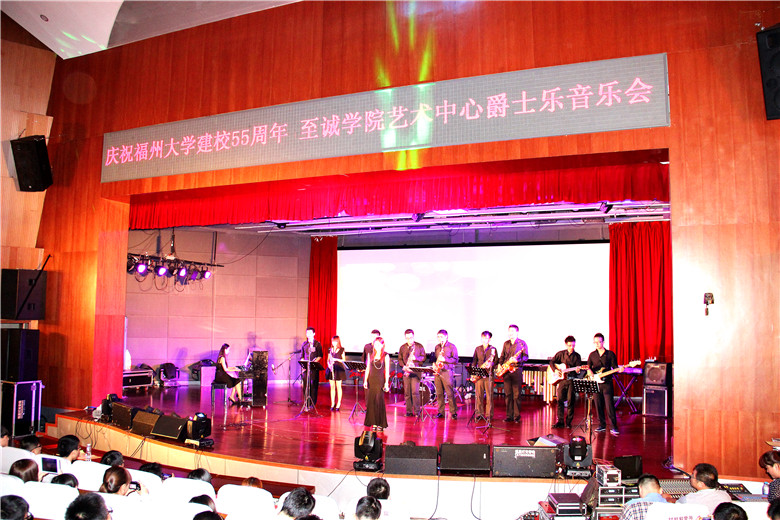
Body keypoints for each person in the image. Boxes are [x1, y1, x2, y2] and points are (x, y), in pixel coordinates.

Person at [587, 332, 622, 435]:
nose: (597, 344)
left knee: (609, 405)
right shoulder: (592, 355)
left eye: (599, 342)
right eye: (595, 342)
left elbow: (615, 367)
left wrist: (619, 370)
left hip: (607, 383)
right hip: (596, 383)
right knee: (598, 405)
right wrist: (590, 372)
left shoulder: (610, 354)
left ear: (603, 342)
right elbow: (588, 367)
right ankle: (601, 425)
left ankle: (613, 426)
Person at [550, 335, 584, 429]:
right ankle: (560, 421)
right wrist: (555, 370)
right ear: (566, 345)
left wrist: (578, 370)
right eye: (569, 345)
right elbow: (552, 362)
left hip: (571, 380)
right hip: (562, 380)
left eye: (573, 345)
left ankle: (569, 422)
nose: (571, 347)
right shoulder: (560, 354)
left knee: (570, 401)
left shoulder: (577, 356)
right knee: (560, 400)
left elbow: (578, 370)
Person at [498, 324, 529, 423]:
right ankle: (509, 416)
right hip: (506, 371)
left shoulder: (522, 343)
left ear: (517, 332)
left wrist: (517, 360)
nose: (510, 333)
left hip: (516, 370)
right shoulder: (506, 343)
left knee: (516, 395)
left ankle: (517, 416)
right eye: (509, 331)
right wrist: (500, 364)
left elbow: (526, 357)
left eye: (512, 331)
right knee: (508, 394)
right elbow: (502, 356)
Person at [398, 329, 427, 417]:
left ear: (413, 337)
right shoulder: (403, 347)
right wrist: (403, 366)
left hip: (416, 372)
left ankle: (417, 412)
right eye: (407, 338)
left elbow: (424, 357)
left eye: (411, 338)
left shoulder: (419, 346)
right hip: (406, 371)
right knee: (407, 393)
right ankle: (409, 411)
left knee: (415, 392)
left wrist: (416, 358)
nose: (409, 340)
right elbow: (400, 359)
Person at [364, 337, 390, 431]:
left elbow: (387, 370)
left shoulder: (385, 355)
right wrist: (365, 380)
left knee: (379, 400)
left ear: (382, 345)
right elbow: (368, 368)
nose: (377, 346)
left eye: (379, 344)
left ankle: (380, 423)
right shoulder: (370, 354)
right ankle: (374, 422)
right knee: (372, 401)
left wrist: (386, 383)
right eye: (375, 344)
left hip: (380, 380)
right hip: (371, 380)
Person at [471, 331, 497, 421]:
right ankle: (479, 414)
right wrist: (473, 372)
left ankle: (489, 415)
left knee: (489, 396)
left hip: (489, 375)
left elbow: (496, 361)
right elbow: (474, 360)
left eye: (486, 338)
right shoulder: (477, 348)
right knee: (478, 395)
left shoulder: (493, 349)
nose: (484, 340)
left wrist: (491, 364)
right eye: (483, 338)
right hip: (479, 374)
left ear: (490, 339)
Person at [433, 329, 459, 419]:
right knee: (439, 393)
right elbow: (435, 358)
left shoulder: (452, 346)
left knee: (449, 393)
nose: (440, 339)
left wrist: (445, 360)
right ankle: (441, 412)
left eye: (441, 337)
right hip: (438, 371)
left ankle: (453, 412)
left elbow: (455, 360)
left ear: (446, 337)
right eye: (438, 337)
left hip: (447, 372)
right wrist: (434, 364)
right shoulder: (437, 347)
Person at [300, 327, 323, 406]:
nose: (308, 334)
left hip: (314, 367)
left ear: (314, 334)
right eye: (307, 333)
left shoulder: (317, 344)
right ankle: (306, 402)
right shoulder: (304, 344)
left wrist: (314, 362)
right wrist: (303, 365)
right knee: (305, 385)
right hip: (306, 367)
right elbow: (302, 356)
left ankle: (313, 402)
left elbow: (320, 356)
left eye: (310, 333)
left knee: (313, 385)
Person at [327, 335, 347, 411]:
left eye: (335, 341)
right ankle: (332, 403)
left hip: (339, 369)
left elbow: (343, 360)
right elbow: (328, 359)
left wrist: (336, 359)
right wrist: (329, 365)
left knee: (338, 386)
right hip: (332, 369)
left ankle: (338, 403)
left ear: (338, 342)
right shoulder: (330, 349)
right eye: (333, 341)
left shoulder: (342, 349)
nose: (334, 343)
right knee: (332, 386)